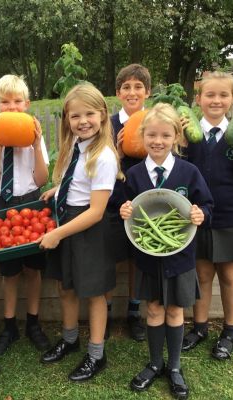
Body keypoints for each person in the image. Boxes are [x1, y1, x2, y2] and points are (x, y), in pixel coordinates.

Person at [120, 103, 213, 399]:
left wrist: (202, 215)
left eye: (165, 135)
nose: (158, 141)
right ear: (142, 136)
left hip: (180, 255)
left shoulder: (189, 171)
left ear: (177, 138)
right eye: (151, 135)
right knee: (155, 308)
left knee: (175, 310)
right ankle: (154, 363)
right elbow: (126, 208)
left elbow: (207, 205)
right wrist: (123, 209)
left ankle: (174, 366)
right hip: (148, 255)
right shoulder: (134, 175)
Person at [38, 83, 122, 382]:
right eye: (75, 116)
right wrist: (57, 189)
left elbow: (96, 210)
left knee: (94, 292)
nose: (82, 121)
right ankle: (70, 339)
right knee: (66, 286)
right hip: (67, 218)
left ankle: (97, 354)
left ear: (102, 115)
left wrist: (59, 233)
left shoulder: (104, 157)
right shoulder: (75, 144)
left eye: (89, 114)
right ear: (67, 120)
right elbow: (77, 179)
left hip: (87, 227)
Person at [0, 75, 50, 356]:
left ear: (27, 104)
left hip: (32, 205)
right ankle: (9, 326)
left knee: (34, 270)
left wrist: (35, 146)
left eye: (17, 102)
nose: (11, 107)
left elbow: (42, 178)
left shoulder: (35, 140)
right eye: (5, 102)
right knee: (9, 274)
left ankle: (33, 323)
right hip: (3, 206)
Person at [181, 71, 233, 360]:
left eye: (223, 95)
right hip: (199, 214)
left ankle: (230, 331)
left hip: (232, 212)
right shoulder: (189, 134)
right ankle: (200, 327)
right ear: (198, 100)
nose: (216, 100)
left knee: (230, 275)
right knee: (203, 273)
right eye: (210, 94)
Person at [105, 64, 151, 341]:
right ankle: (106, 312)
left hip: (145, 199)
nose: (132, 92)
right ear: (118, 92)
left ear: (147, 92)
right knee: (111, 257)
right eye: (126, 87)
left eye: (138, 87)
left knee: (138, 260)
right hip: (114, 199)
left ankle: (134, 312)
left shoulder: (155, 121)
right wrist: (119, 153)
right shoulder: (108, 124)